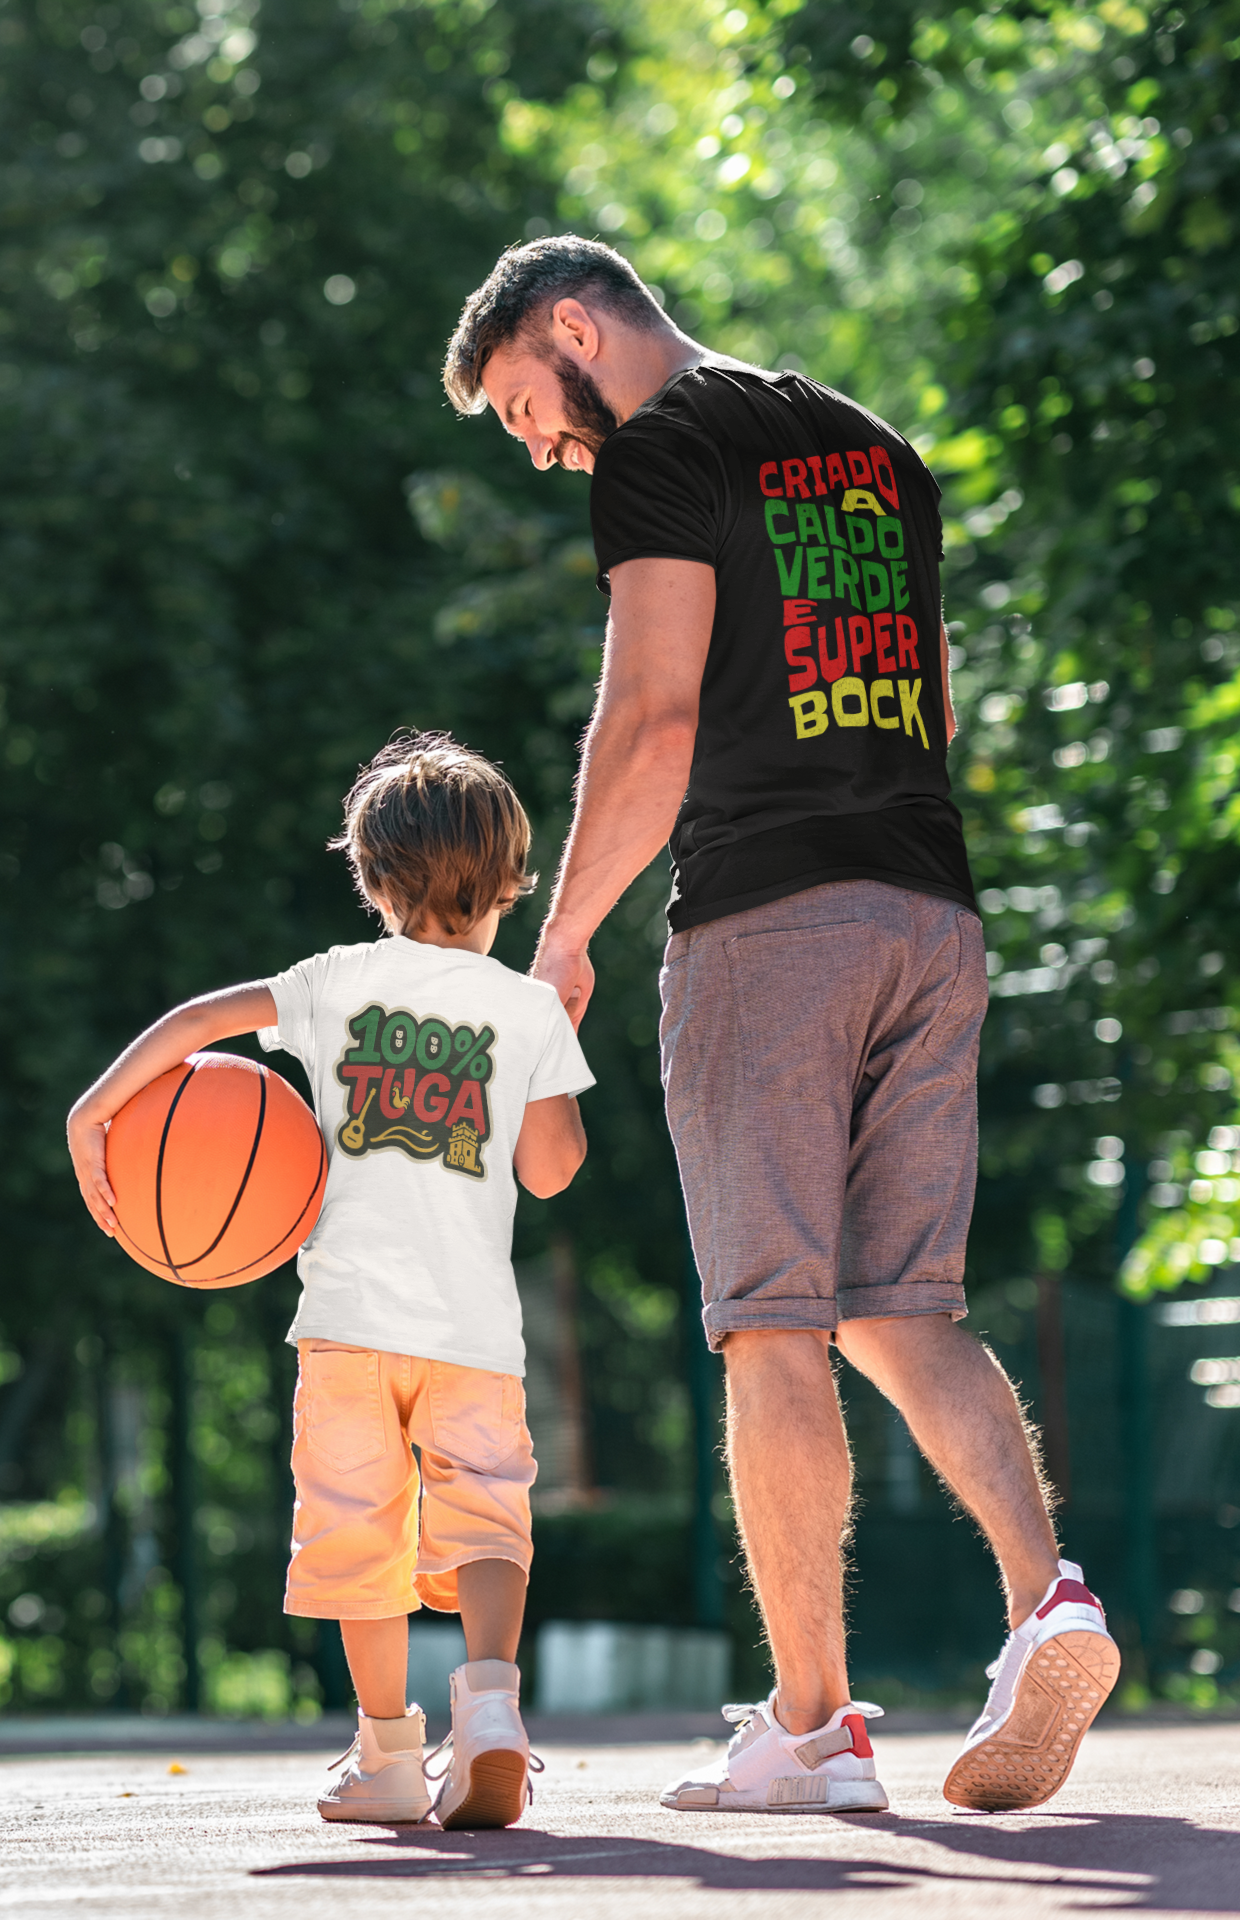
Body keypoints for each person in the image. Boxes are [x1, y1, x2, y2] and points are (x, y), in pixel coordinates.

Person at [441, 236, 1119, 1816]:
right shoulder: (878, 451)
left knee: (770, 1319)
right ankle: (1049, 1601)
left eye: (530, 411)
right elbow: (930, 698)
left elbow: (658, 711)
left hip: (769, 923)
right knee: (905, 1309)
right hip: (931, 911)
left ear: (571, 328)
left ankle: (813, 1730)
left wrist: (566, 938)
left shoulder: (663, 450)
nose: (543, 447)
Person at [67, 732, 593, 1829]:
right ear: (508, 881)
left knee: (363, 1539)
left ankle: (388, 1755)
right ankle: (490, 1705)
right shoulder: (526, 1008)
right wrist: (552, 1045)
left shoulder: (332, 982)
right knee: (488, 1520)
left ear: (373, 877)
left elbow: (200, 1025)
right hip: (474, 1335)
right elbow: (551, 1175)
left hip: (349, 1331)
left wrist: (96, 1110)